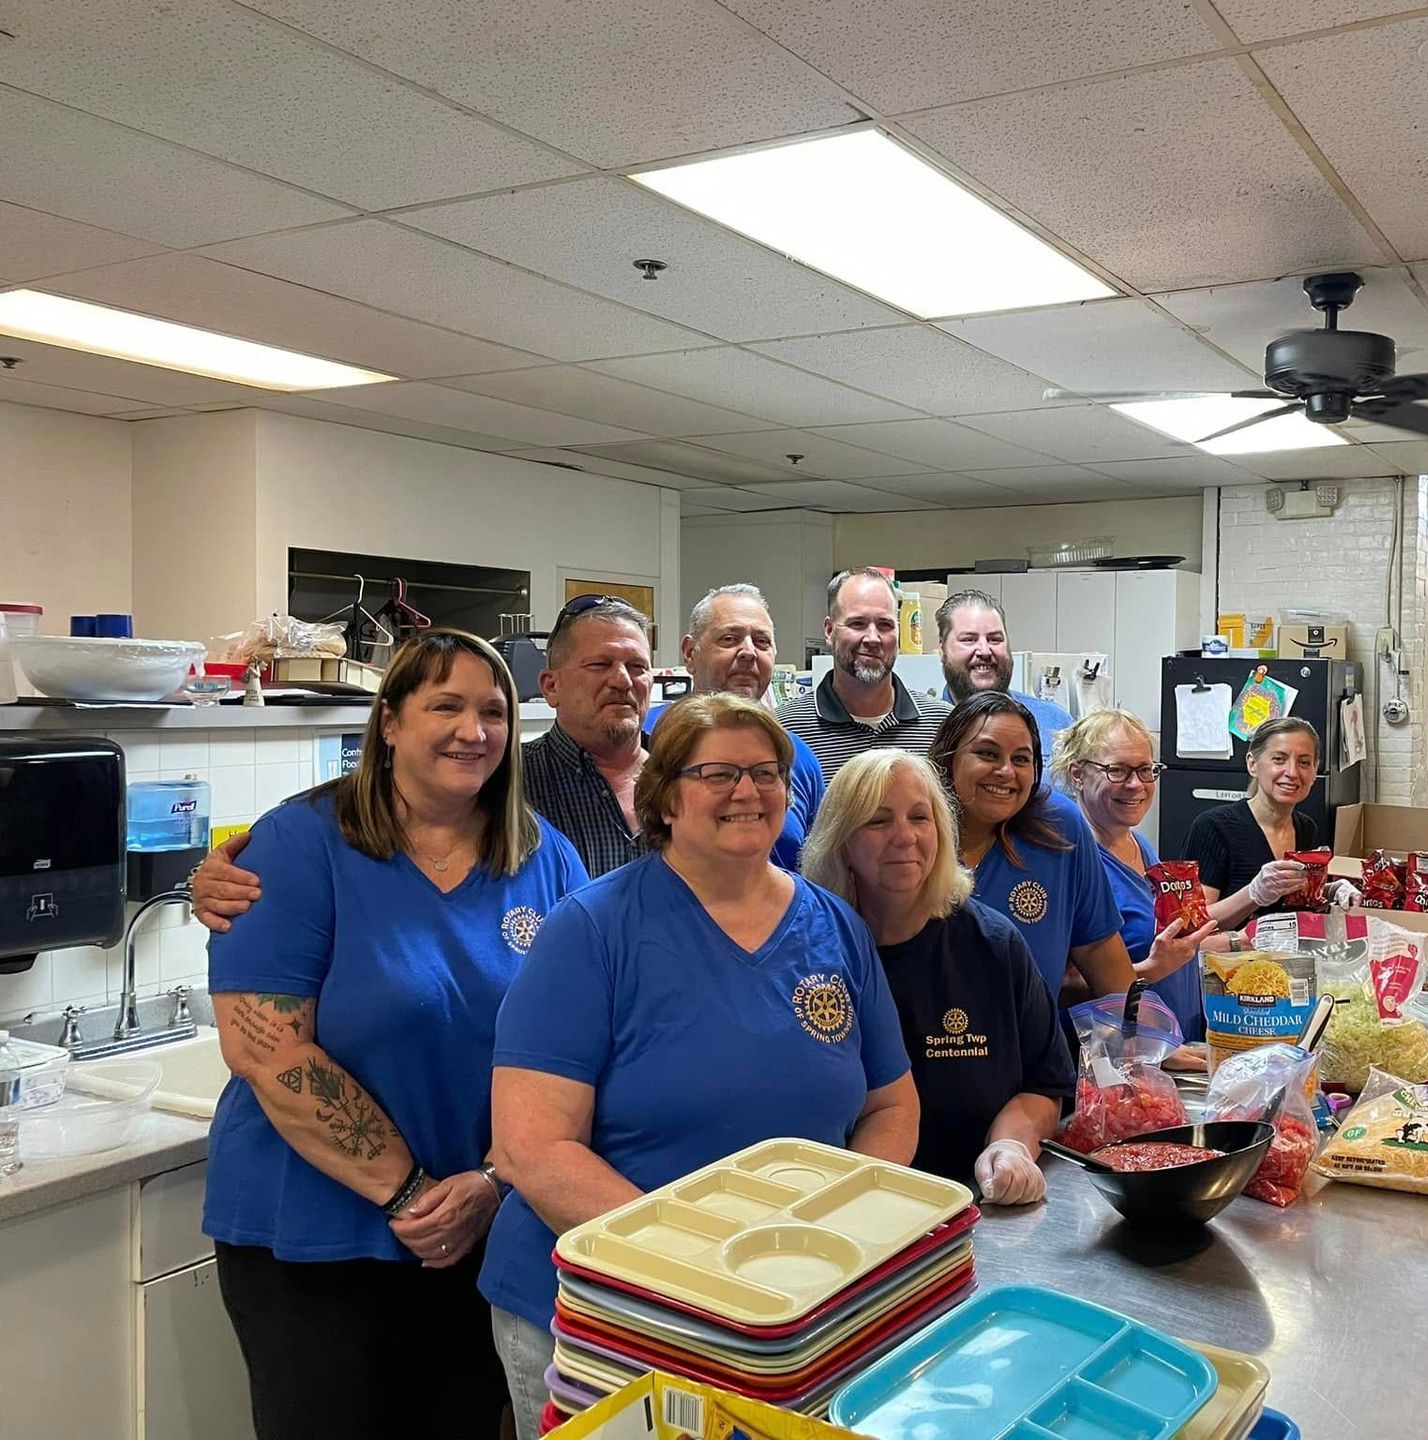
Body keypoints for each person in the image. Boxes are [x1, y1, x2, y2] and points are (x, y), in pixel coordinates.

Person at [482, 693, 918, 1439]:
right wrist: (705, 1267)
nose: (747, 791)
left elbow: (891, 1105)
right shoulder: (592, 930)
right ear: (666, 798)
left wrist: (840, 1239)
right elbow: (534, 1148)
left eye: (764, 771)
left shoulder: (833, 925)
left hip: (787, 1307)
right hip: (611, 1312)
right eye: (716, 773)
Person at [202, 631, 588, 1440]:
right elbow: (268, 1051)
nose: (471, 730)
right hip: (317, 1240)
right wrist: (413, 1195)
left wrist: (489, 1184)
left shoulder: (545, 860)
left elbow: (582, 1047)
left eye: (492, 711)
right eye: (443, 705)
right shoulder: (301, 844)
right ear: (389, 722)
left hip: (486, 1231)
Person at [190, 594, 654, 931]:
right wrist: (218, 879)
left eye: (637, 667)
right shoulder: (505, 787)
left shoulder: (689, 783)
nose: (621, 681)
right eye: (599, 666)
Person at [802, 749, 1073, 1204]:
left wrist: (1009, 1146)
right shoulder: (813, 954)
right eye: (878, 820)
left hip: (974, 1203)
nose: (904, 836)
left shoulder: (992, 944)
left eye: (919, 817)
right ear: (841, 840)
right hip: (844, 1207)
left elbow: (1046, 1084)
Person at [929, 691, 1200, 1012]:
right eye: (987, 754)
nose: (1005, 771)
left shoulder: (1058, 828)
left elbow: (1102, 957)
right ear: (948, 758)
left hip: (1037, 1051)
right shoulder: (917, 834)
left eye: (1021, 758)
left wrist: (1150, 1040)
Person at [1053, 708, 1215, 1053]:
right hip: (1118, 1057)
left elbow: (1164, 941)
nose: (1136, 785)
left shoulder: (1138, 843)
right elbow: (1060, 985)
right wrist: (1150, 970)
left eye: (1145, 770)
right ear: (1077, 774)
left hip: (1172, 1045)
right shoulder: (1069, 860)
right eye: (1117, 770)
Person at [647, 582, 825, 871]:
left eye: (762, 642)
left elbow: (817, 867)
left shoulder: (797, 757)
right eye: (730, 639)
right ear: (690, 653)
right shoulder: (649, 738)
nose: (749, 652)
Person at [777, 567, 952, 784]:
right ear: (829, 631)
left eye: (885, 625)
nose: (873, 638)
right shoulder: (783, 731)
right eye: (857, 624)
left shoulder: (944, 726)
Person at [1181, 715, 1324, 929]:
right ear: (1253, 764)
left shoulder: (1306, 828)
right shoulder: (1213, 827)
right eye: (1279, 759)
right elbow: (1191, 923)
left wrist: (1328, 891)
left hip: (1285, 957)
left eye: (1304, 762)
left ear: (1314, 771)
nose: (1292, 772)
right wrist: (1253, 894)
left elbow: (1298, 903)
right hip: (1228, 960)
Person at [936, 589, 1075, 763]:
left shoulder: (1056, 723)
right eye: (969, 639)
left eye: (995, 639)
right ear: (942, 648)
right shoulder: (924, 728)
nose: (984, 651)